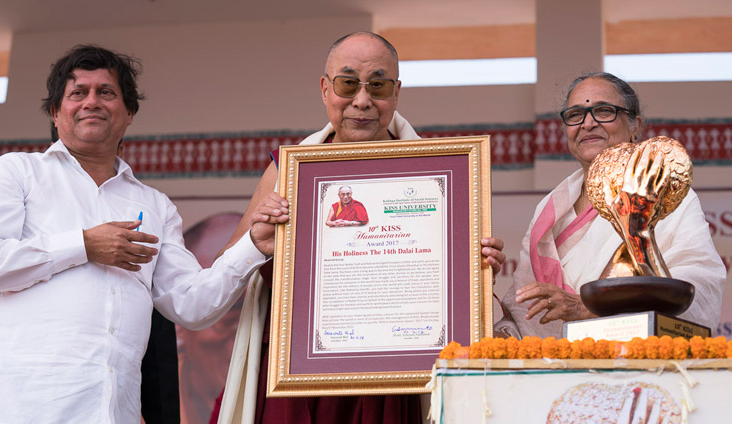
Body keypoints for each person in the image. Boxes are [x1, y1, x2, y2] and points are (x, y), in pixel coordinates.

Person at [0, 45, 287, 423]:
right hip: (20, 410)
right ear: (55, 114)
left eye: (106, 93)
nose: (91, 101)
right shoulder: (17, 172)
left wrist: (254, 245)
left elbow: (191, 306)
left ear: (128, 114)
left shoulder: (154, 204)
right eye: (78, 92)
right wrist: (84, 245)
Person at [214, 32, 506, 424]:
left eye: (378, 85)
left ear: (396, 93)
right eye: (348, 83)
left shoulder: (436, 174)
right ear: (325, 89)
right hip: (298, 370)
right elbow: (222, 270)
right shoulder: (288, 171)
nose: (363, 100)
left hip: (392, 375)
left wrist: (478, 271)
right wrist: (257, 240)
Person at [493, 72, 726, 339]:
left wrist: (586, 309)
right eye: (575, 114)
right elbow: (523, 318)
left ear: (635, 125)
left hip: (635, 369)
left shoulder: (662, 195)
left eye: (604, 111)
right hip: (553, 373)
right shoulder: (550, 209)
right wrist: (475, 281)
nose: (588, 123)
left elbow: (698, 289)